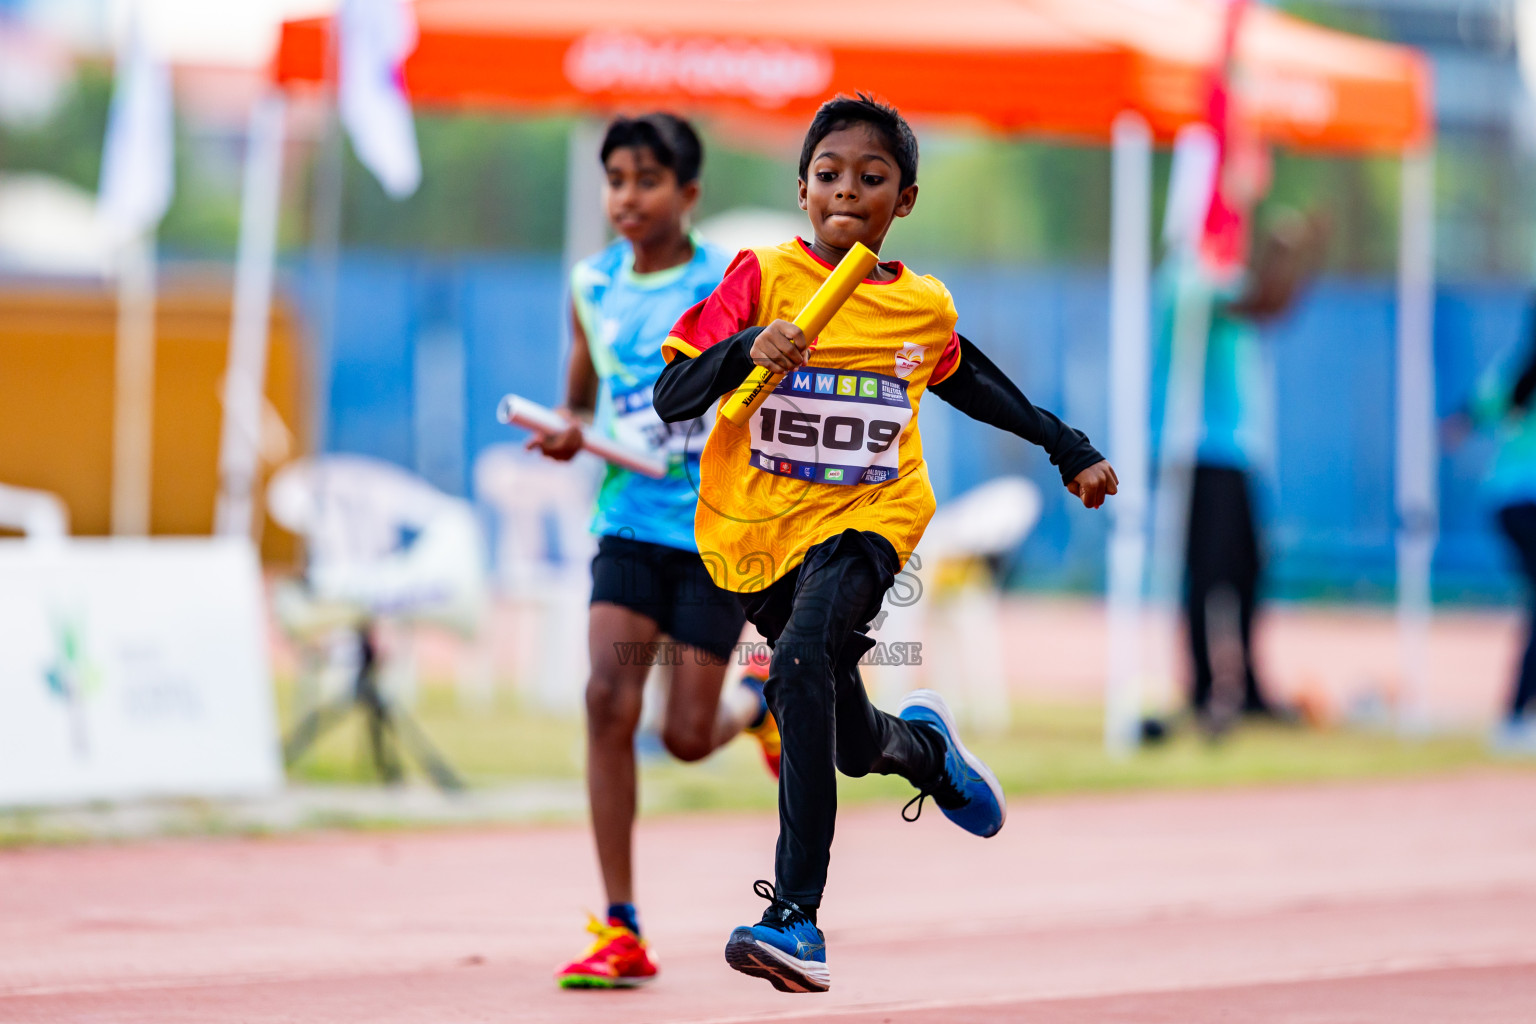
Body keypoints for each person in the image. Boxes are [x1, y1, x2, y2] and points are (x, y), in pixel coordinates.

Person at [653, 94, 1116, 993]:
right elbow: (674, 395)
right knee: (847, 737)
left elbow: (974, 381)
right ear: (801, 190)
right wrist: (750, 347)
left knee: (793, 670)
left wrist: (1068, 446)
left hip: (870, 522)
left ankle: (796, 919)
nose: (847, 194)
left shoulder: (917, 308)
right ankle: (927, 753)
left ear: (904, 199)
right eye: (828, 176)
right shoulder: (763, 277)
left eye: (872, 180)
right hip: (755, 535)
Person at [531, 113, 780, 990]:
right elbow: (581, 399)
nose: (625, 199)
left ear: (689, 193)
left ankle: (757, 709)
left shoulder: (733, 282)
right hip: (629, 521)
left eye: (645, 181)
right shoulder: (590, 285)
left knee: (681, 736)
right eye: (614, 181)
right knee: (606, 697)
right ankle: (620, 924)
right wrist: (568, 433)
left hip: (714, 533)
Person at [1152, 210, 1327, 734]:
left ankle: (1245, 686)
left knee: (1246, 571)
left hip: (1233, 451)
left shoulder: (1221, 275)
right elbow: (1260, 305)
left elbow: (1274, 304)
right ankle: (1206, 689)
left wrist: (1302, 259)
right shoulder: (1188, 277)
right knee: (1207, 575)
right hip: (1199, 448)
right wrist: (1286, 254)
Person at [1453, 296, 1536, 753]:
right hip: (1524, 501)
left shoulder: (1517, 370)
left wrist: (1458, 422)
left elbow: (1478, 405)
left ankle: (1517, 713)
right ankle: (1515, 716)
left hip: (1506, 501)